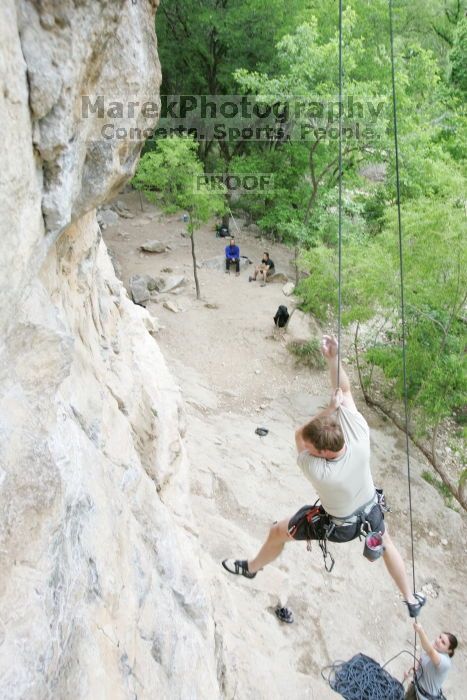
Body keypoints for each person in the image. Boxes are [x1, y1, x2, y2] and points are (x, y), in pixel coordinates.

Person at [222, 335, 426, 619]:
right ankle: (409, 597)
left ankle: (252, 568)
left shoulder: (320, 471)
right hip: (371, 510)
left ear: (322, 453)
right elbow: (344, 388)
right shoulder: (358, 433)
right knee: (387, 542)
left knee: (278, 532)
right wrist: (334, 359)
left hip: (339, 527)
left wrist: (329, 409)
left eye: (312, 449)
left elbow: (299, 435)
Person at [405, 622, 457, 699]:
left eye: (443, 642)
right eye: (440, 637)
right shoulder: (434, 645)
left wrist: (420, 630)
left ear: (449, 651)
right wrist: (414, 669)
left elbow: (429, 651)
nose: (438, 641)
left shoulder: (445, 662)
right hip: (415, 688)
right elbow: (422, 657)